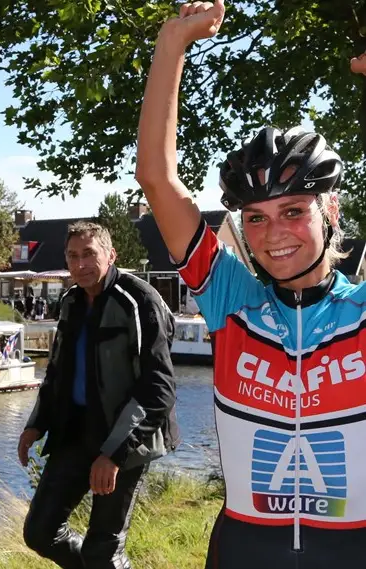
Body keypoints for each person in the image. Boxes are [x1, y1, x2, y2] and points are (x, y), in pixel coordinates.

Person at [135, 2, 366, 568]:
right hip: (245, 548)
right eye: (256, 218)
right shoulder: (232, 300)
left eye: (293, 211)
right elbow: (157, 179)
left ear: (330, 211)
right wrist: (171, 45)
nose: (273, 234)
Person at [18, 221, 178, 569]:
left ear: (111, 255)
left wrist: (114, 455)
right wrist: (36, 424)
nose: (80, 265)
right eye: (72, 256)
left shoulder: (139, 301)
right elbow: (57, 371)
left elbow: (159, 387)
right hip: (74, 433)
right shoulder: (71, 301)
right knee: (40, 532)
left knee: (103, 552)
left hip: (124, 437)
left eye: (89, 254)